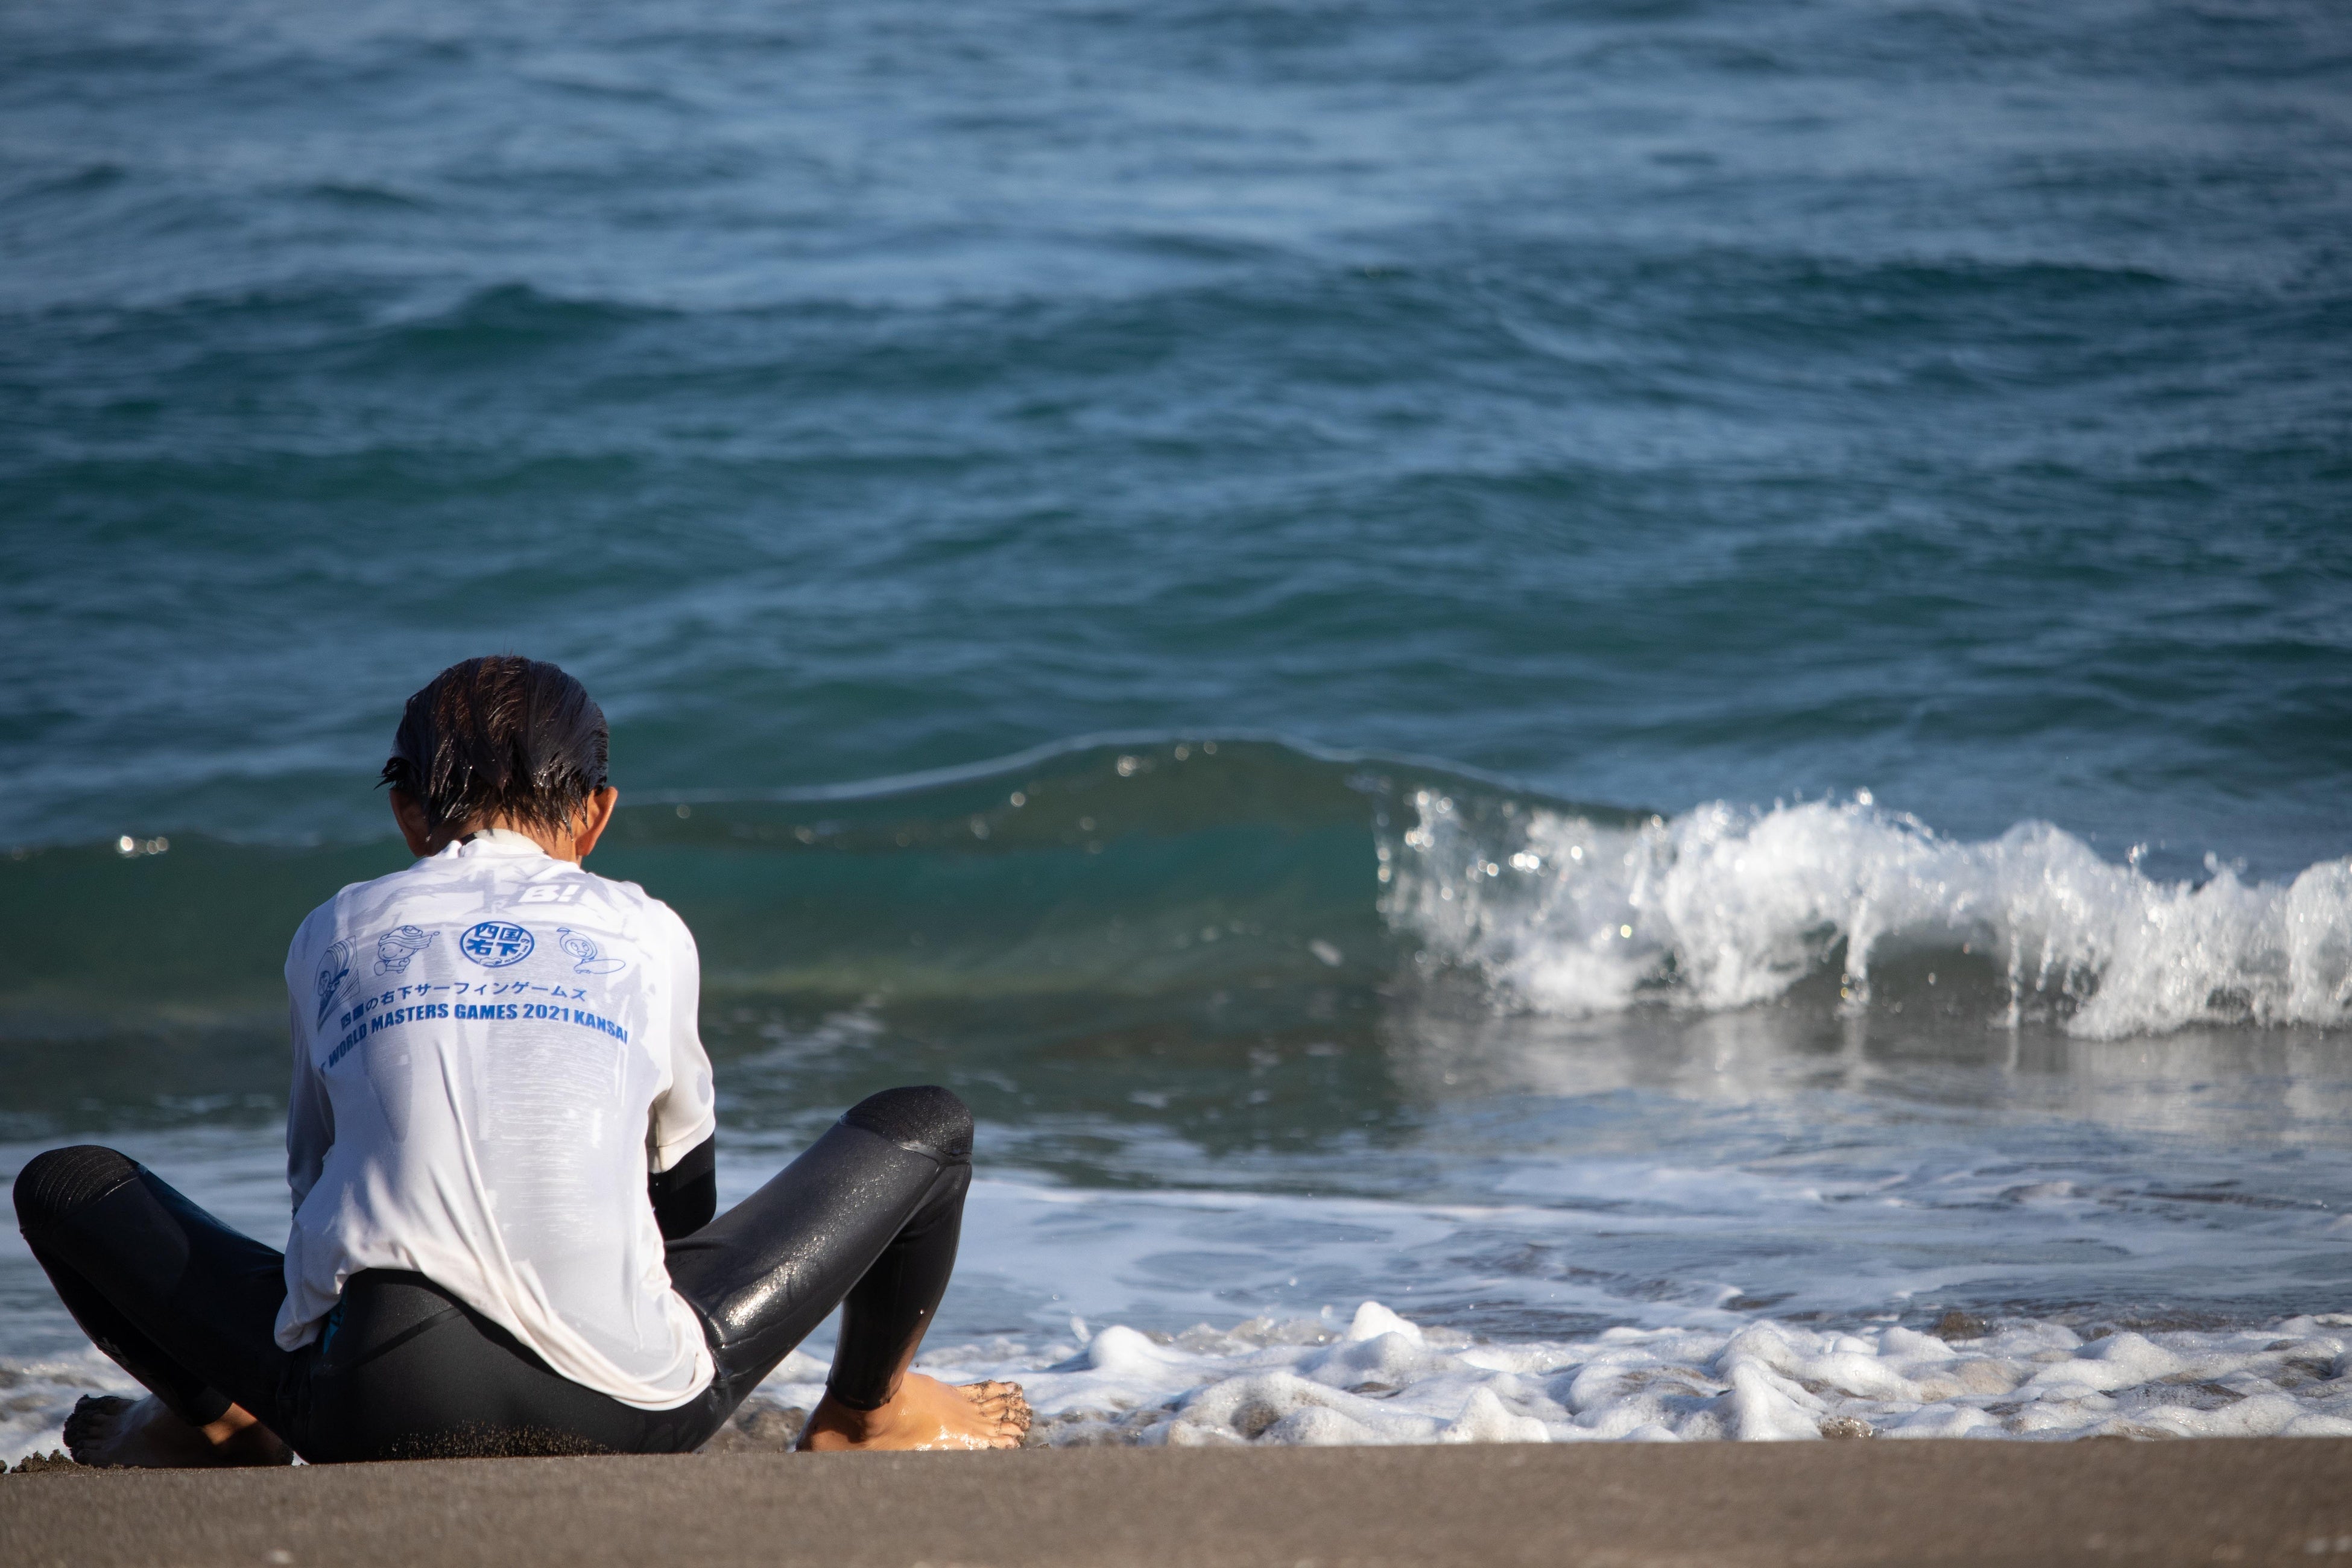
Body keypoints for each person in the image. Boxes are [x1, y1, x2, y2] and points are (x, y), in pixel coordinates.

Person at [13, 656, 1029, 1465]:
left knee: (63, 1185)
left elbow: (314, 1191)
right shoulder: (647, 930)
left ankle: (220, 1424)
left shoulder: (337, 929)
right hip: (630, 1410)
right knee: (927, 1126)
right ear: (598, 812)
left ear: (408, 813)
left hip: (368, 1409)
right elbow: (685, 1205)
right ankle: (865, 1415)